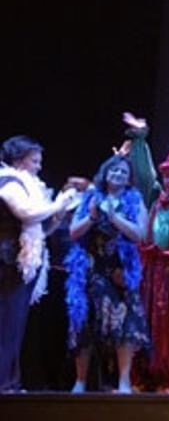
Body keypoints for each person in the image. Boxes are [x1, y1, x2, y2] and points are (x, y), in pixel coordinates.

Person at [65, 154, 149, 394]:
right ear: (105, 173)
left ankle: (124, 381)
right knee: (84, 323)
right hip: (92, 268)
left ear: (129, 178)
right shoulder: (91, 197)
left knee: (125, 324)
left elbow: (140, 235)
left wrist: (114, 218)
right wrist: (93, 216)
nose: (118, 175)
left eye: (123, 172)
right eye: (114, 170)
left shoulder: (134, 199)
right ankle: (80, 381)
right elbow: (73, 232)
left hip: (121, 271)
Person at [0, 136, 77, 392]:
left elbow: (41, 229)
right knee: (6, 323)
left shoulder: (32, 185)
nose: (39, 166)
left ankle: (9, 383)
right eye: (34, 161)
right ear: (19, 160)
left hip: (21, 261)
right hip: (7, 261)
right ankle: (4, 384)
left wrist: (59, 213)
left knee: (15, 324)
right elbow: (27, 213)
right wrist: (56, 204)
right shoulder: (9, 182)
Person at [134, 145, 169, 393]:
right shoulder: (156, 201)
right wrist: (140, 139)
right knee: (146, 319)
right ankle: (142, 375)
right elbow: (144, 174)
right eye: (166, 176)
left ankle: (166, 378)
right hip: (152, 269)